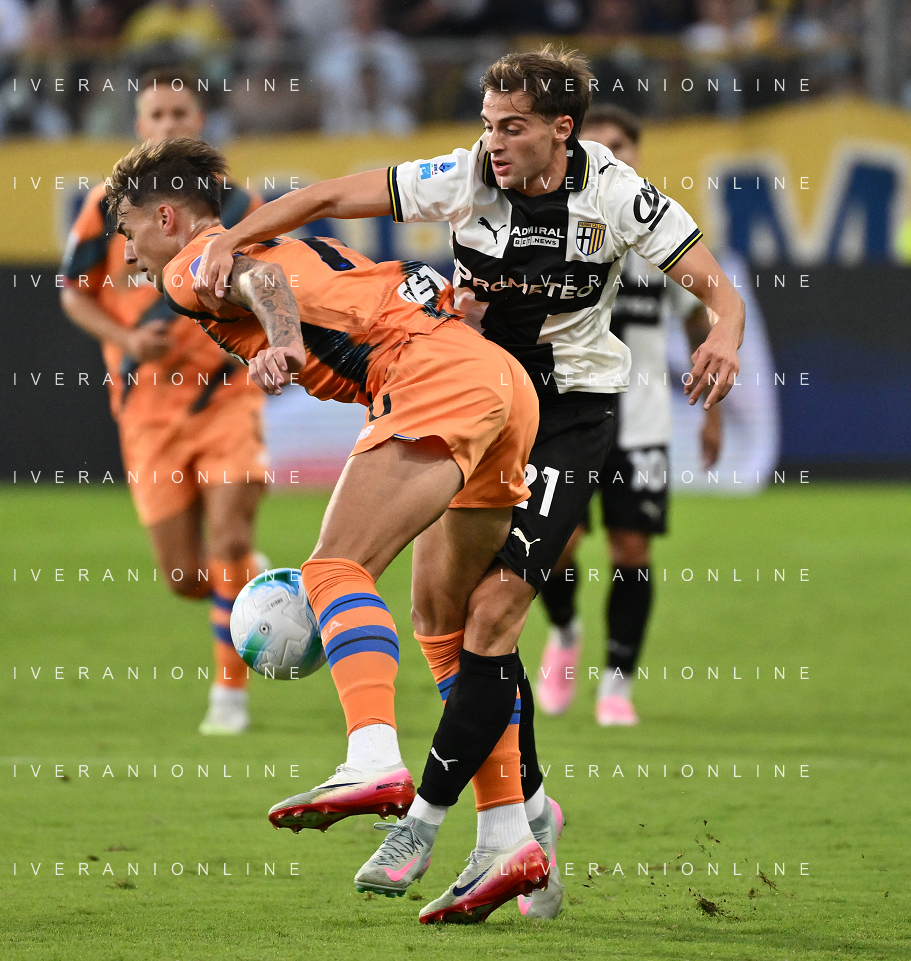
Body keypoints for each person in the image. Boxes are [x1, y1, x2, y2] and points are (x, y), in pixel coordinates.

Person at [192, 46, 745, 922]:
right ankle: (526, 818)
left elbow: (716, 289)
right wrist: (231, 236)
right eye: (487, 124)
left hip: (568, 419)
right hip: (482, 407)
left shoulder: (615, 193)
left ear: (561, 130)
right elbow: (329, 197)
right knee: (441, 620)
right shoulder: (462, 176)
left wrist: (724, 334)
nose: (494, 142)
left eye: (512, 127)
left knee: (492, 616)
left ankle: (424, 820)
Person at [106, 135, 548, 923]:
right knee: (448, 627)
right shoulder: (300, 241)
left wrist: (281, 341)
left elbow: (262, 282)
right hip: (500, 382)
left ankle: (371, 757)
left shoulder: (191, 263)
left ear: (166, 216)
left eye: (129, 227)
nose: (128, 248)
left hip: (426, 372)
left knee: (333, 569)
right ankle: (509, 830)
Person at [60, 68, 266, 736]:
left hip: (225, 395)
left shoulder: (239, 204)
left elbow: (272, 283)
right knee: (182, 576)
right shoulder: (105, 207)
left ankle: (228, 694)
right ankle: (248, 582)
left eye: (180, 114)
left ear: (198, 123)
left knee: (230, 535)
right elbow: (73, 293)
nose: (169, 124)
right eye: (157, 115)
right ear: (139, 126)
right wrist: (126, 339)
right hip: (146, 407)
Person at [533, 105, 722, 727]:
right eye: (598, 144)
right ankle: (565, 631)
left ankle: (617, 683)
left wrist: (713, 410)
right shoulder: (553, 228)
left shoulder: (663, 236)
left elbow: (696, 315)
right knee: (556, 545)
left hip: (640, 423)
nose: (610, 154)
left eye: (620, 144)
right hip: (563, 416)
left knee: (631, 547)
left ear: (637, 153)